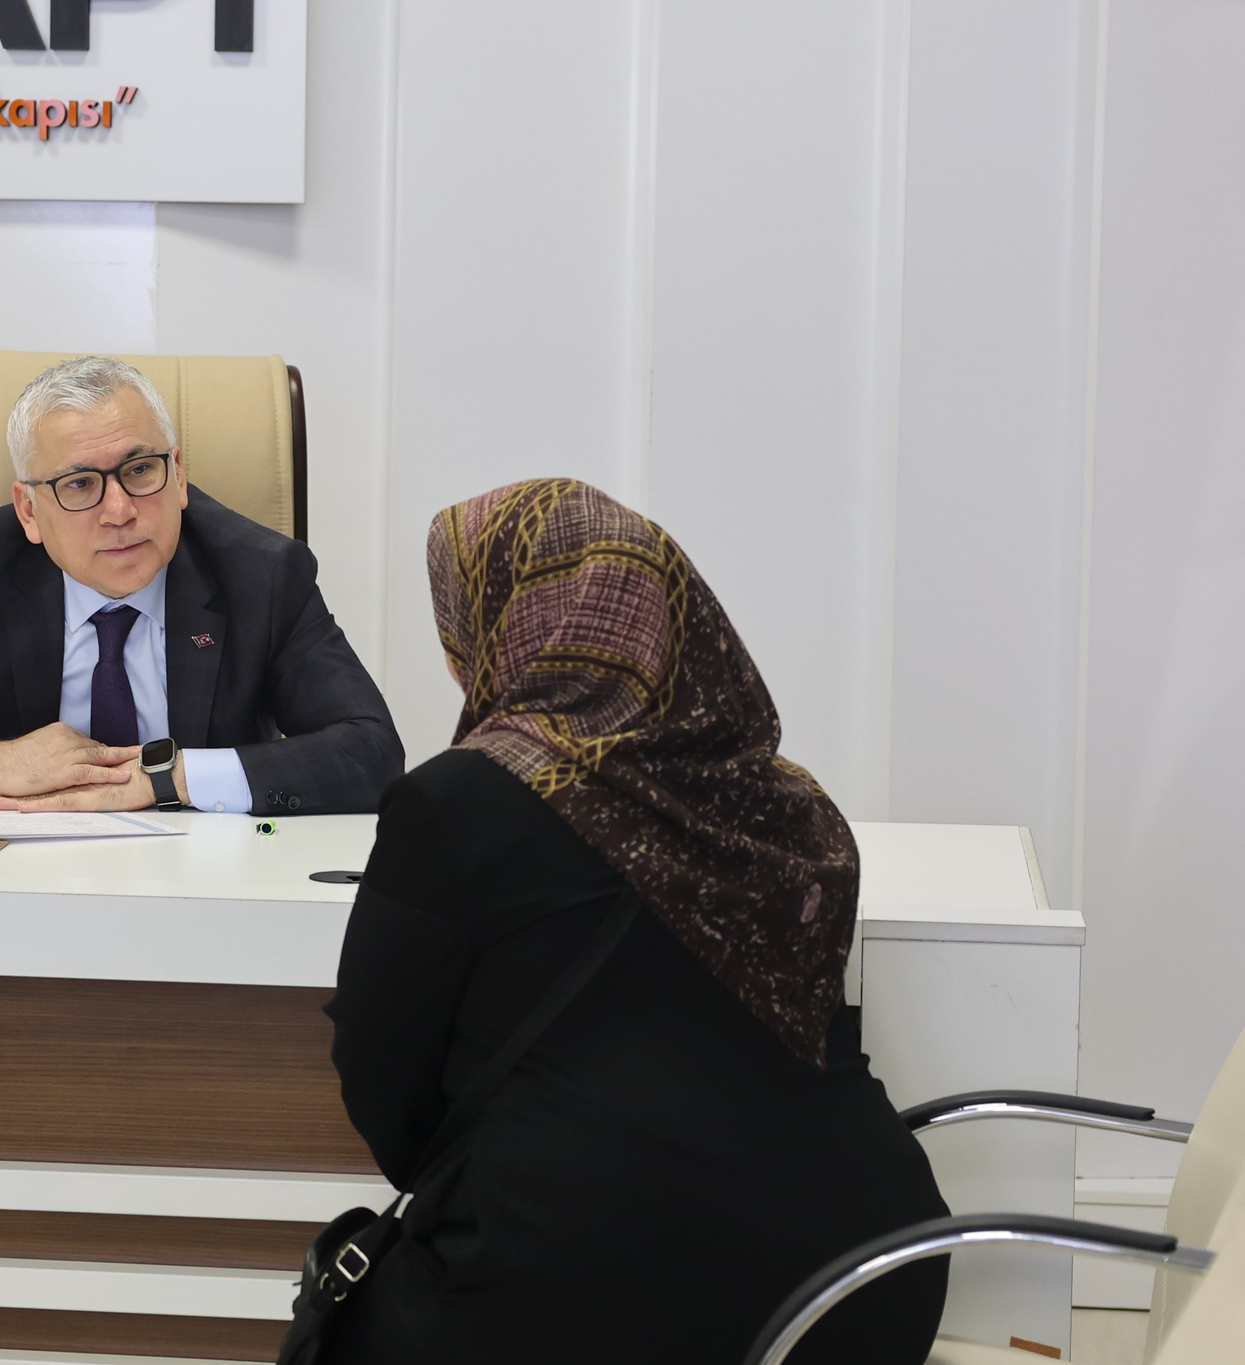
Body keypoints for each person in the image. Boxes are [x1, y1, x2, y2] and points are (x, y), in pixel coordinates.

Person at [319, 479, 949, 1363]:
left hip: (572, 1286)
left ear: (499, 623)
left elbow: (384, 1078)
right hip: (863, 1282)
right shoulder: (792, 807)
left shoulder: (455, 801)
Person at [0, 356, 402, 815]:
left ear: (179, 476)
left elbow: (371, 753)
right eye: (78, 484)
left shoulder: (263, 573)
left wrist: (168, 778)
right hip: (4, 889)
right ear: (29, 512)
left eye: (140, 470)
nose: (119, 510)